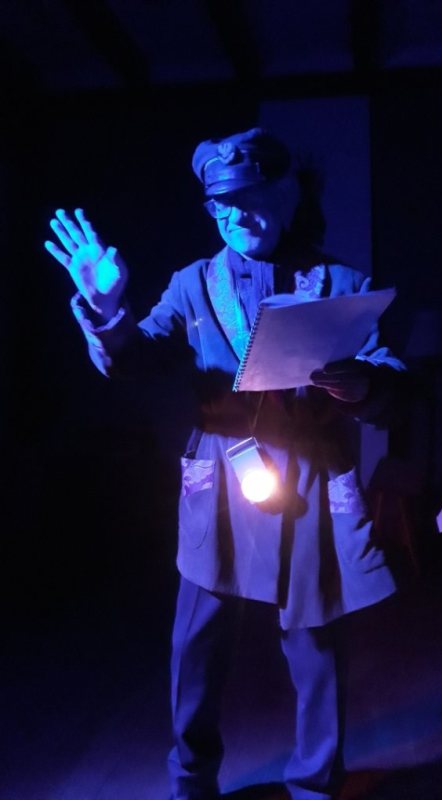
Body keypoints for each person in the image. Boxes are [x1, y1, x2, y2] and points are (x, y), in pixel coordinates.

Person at [44, 127, 406, 800]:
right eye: (221, 204)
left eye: (250, 198)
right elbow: (135, 361)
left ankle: (316, 785)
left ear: (285, 196)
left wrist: (364, 384)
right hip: (223, 475)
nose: (236, 216)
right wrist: (107, 308)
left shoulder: (341, 284)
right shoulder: (192, 285)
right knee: (196, 643)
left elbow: (390, 378)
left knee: (316, 643)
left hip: (308, 477)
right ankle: (190, 780)